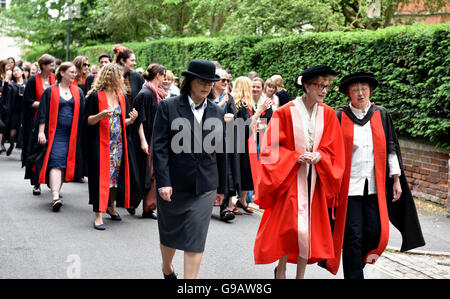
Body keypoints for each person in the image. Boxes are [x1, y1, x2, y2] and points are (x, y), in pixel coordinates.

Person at [322, 71, 425, 279]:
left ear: (370, 91)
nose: (360, 93)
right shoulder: (339, 116)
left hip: (375, 186)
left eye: (364, 89)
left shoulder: (381, 114)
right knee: (353, 235)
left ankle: (356, 265)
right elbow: (329, 151)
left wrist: (396, 179)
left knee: (375, 232)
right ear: (348, 94)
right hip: (348, 188)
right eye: (355, 89)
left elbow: (391, 147)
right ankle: (354, 275)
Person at [253, 65, 345, 279]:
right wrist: (296, 157)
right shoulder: (284, 112)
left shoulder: (329, 114)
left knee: (308, 231)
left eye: (327, 87)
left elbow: (335, 150)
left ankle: (300, 276)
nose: (323, 91)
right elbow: (270, 150)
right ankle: (282, 269)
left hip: (315, 181)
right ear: (306, 85)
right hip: (290, 179)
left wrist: (320, 156)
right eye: (319, 86)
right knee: (290, 228)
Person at [152, 59, 226, 279]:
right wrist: (163, 182)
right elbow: (160, 148)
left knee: (196, 236)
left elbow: (221, 152)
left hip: (205, 184)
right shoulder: (168, 106)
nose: (207, 86)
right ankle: (167, 269)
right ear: (190, 81)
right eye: (202, 81)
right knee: (170, 233)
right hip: (173, 183)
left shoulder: (217, 112)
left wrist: (223, 187)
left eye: (210, 82)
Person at [85, 63, 140, 230]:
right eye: (119, 77)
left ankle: (111, 207)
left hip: (117, 144)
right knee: (99, 178)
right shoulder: (96, 96)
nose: (122, 80)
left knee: (114, 178)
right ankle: (98, 214)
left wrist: (131, 120)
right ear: (110, 77)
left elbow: (121, 122)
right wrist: (100, 115)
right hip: (100, 145)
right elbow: (87, 121)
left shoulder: (121, 97)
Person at [25, 62, 86, 212]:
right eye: (71, 72)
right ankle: (55, 196)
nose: (74, 75)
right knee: (55, 162)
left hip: (72, 136)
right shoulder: (51, 91)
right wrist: (41, 131)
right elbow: (43, 113)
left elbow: (84, 113)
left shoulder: (78, 91)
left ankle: (56, 190)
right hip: (54, 133)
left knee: (64, 163)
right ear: (62, 73)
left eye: (75, 72)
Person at [130, 63, 167, 219]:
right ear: (158, 75)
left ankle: (148, 207)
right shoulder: (145, 94)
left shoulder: (156, 93)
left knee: (152, 173)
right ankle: (134, 203)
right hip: (147, 138)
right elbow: (139, 120)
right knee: (145, 173)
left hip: (154, 137)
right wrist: (144, 141)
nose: (165, 79)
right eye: (164, 75)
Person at [22, 54, 56, 195]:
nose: (53, 68)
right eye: (51, 65)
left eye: (54, 65)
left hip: (53, 120)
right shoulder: (32, 80)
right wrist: (44, 105)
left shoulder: (54, 79)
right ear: (43, 66)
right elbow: (28, 101)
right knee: (36, 150)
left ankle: (52, 181)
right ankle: (36, 182)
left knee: (51, 151)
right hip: (35, 120)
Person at [209, 68, 238, 222]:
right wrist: (220, 107)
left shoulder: (229, 97)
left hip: (224, 138)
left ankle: (224, 208)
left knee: (226, 172)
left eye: (227, 80)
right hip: (205, 140)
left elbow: (232, 115)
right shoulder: (206, 96)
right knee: (210, 170)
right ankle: (206, 203)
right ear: (214, 81)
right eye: (222, 80)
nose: (226, 83)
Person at [4, 65, 26, 156]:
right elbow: (5, 92)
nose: (16, 72)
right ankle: (12, 144)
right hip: (14, 111)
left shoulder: (27, 83)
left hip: (25, 111)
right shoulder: (11, 84)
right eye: (14, 71)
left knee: (24, 131)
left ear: (22, 72)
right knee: (12, 133)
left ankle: (23, 152)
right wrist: (6, 79)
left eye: (18, 70)